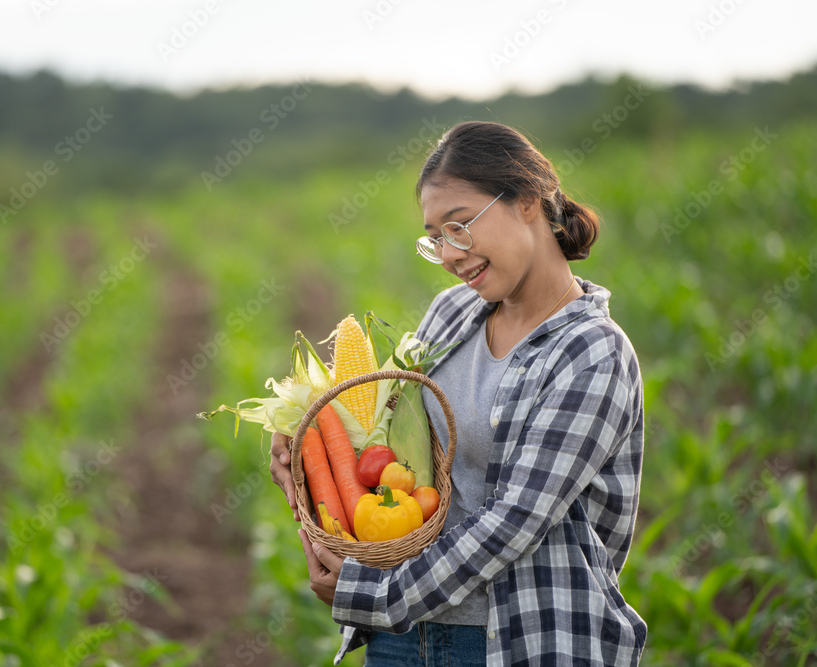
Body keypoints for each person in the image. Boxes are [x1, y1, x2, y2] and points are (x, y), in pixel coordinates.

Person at [270, 121, 647, 666]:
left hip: (517, 642)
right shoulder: (451, 314)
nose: (449, 254)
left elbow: (513, 521)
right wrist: (304, 436)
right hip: (403, 639)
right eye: (436, 237)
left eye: (460, 226)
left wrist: (374, 597)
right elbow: (387, 437)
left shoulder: (590, 352)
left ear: (527, 200)